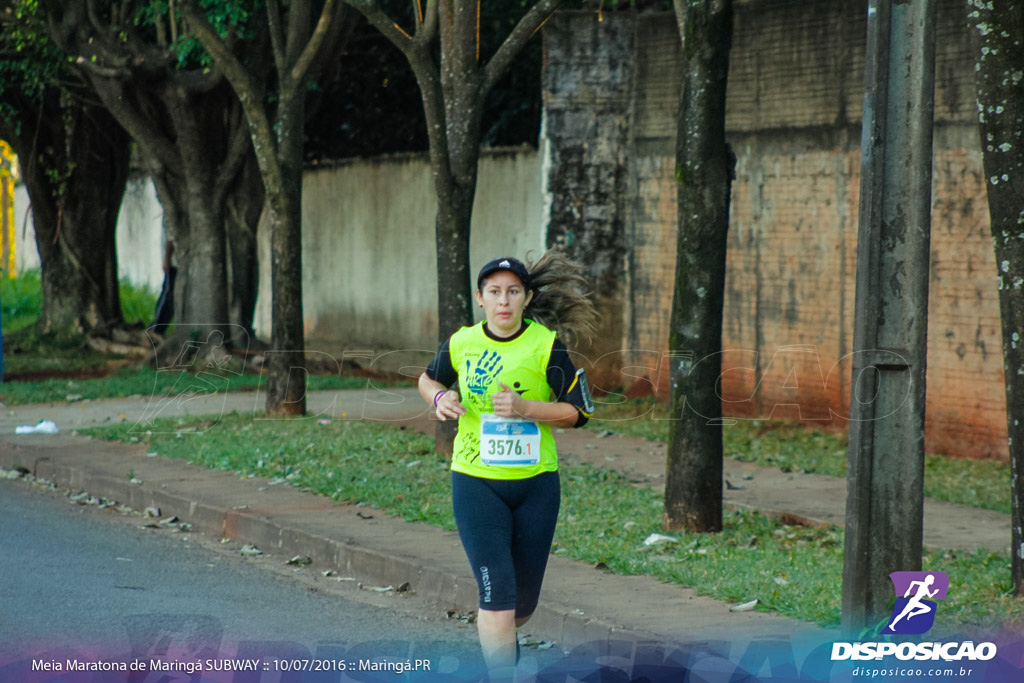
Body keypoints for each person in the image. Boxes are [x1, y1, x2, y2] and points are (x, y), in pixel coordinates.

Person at [418, 251, 597, 677]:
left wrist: (525, 408)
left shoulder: (547, 346)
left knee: (521, 608)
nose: (503, 300)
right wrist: (441, 398)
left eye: (513, 292)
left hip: (536, 485)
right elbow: (428, 379)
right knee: (497, 598)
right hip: (476, 482)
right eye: (494, 292)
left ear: (526, 297)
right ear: (480, 298)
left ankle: (505, 652)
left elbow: (579, 412)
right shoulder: (462, 343)